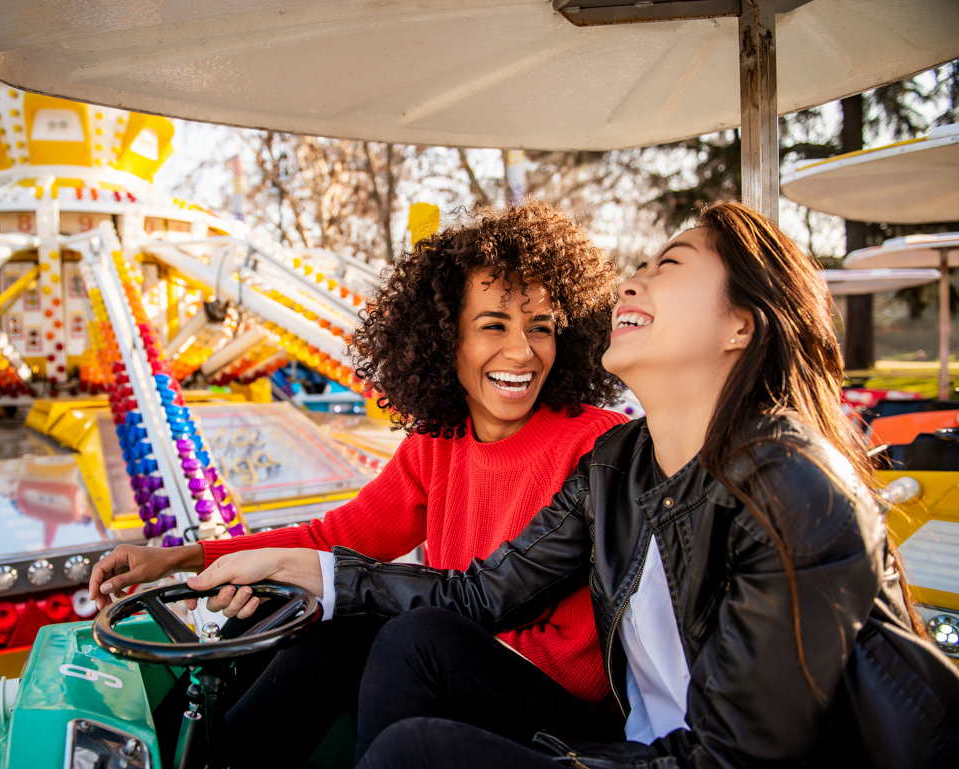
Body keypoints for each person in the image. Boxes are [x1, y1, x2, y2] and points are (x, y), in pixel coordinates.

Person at [191, 200, 959, 768]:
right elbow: (475, 596)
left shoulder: (797, 492)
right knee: (415, 642)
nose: (631, 281)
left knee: (415, 752)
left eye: (669, 265)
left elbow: (733, 761)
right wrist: (311, 572)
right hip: (636, 743)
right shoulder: (619, 465)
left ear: (741, 326)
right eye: (491, 324)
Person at [89, 200, 628, 767]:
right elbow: (333, 541)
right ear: (446, 339)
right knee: (288, 613)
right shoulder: (436, 444)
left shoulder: (599, 444)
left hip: (555, 707)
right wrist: (179, 559)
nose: (521, 351)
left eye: (540, 328)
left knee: (378, 629)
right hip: (454, 656)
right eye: (493, 325)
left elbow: (489, 601)